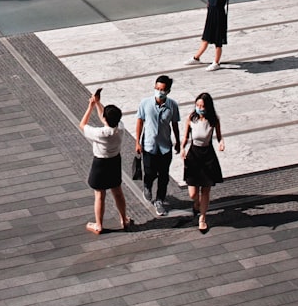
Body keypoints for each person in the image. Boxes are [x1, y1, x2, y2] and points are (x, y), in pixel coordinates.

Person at [80, 91, 132, 234]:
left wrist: (91, 106)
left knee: (99, 195)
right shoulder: (120, 128)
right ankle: (124, 219)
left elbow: (82, 124)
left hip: (100, 164)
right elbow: (105, 116)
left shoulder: (100, 133)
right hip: (115, 161)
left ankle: (99, 225)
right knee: (118, 192)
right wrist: (97, 103)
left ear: (105, 119)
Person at [135, 75, 181, 217]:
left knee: (164, 176)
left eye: (162, 89)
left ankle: (160, 200)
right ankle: (147, 186)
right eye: (157, 88)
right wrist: (137, 141)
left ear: (168, 91)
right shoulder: (145, 103)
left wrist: (178, 141)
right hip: (149, 146)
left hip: (165, 147)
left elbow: (174, 124)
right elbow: (140, 121)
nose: (159, 92)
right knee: (149, 172)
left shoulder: (172, 105)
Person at [180, 92, 224, 232]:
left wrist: (221, 143)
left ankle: (202, 218)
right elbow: (186, 137)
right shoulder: (191, 118)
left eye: (202, 106)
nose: (200, 108)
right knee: (193, 193)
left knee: (206, 189)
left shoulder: (213, 119)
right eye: (197, 105)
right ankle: (196, 203)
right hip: (194, 154)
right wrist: (182, 148)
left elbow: (219, 136)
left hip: (208, 155)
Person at [184, 0, 231, 70]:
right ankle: (196, 58)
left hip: (219, 16)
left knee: (218, 41)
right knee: (205, 38)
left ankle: (216, 62)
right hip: (211, 15)